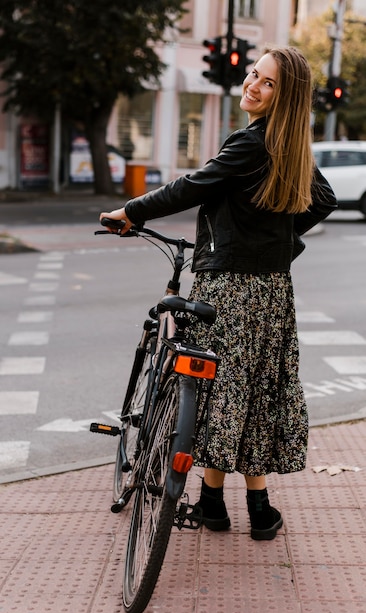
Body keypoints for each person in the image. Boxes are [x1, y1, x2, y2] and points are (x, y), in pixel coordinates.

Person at [100, 46, 337, 540]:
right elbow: (324, 200)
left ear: (285, 95)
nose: (252, 84)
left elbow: (192, 186)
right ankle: (244, 504)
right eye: (253, 74)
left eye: (267, 81)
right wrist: (280, 245)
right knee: (250, 392)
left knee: (218, 389)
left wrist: (132, 211)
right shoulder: (290, 146)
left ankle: (218, 501)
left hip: (228, 285)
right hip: (272, 291)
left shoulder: (251, 143)